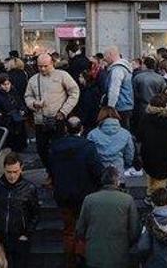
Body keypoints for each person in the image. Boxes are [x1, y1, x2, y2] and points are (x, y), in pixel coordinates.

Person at [48, 116, 103, 268]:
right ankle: (82, 259)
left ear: (66, 129)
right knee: (85, 229)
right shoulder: (88, 146)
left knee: (68, 230)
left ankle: (70, 262)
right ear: (81, 128)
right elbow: (97, 171)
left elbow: (51, 169)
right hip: (84, 195)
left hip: (63, 194)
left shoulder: (55, 146)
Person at [26, 53, 80, 174]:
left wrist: (64, 111)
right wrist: (34, 104)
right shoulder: (33, 79)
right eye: (40, 66)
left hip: (58, 119)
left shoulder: (62, 75)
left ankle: (60, 173)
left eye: (45, 66)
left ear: (52, 64)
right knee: (41, 149)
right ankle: (50, 172)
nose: (42, 69)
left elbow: (75, 92)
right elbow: (27, 96)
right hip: (40, 120)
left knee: (60, 149)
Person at [0, 153, 38, 267]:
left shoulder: (29, 188)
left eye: (15, 172)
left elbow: (35, 214)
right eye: (9, 172)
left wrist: (26, 234)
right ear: (4, 170)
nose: (12, 176)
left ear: (21, 169)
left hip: (19, 237)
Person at [76, 166, 140, 268]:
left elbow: (80, 230)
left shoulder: (89, 199)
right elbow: (134, 231)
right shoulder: (127, 200)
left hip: (94, 255)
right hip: (119, 254)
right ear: (117, 181)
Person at [138, 93, 167, 198]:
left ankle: (149, 194)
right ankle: (158, 198)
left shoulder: (145, 118)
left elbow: (139, 136)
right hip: (164, 156)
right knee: (161, 179)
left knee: (150, 175)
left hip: (147, 153)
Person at [87, 106, 135, 176]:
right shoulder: (125, 133)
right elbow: (129, 153)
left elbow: (89, 154)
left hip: (99, 170)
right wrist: (127, 164)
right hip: (118, 169)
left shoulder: (92, 134)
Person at [0, 74, 27, 152]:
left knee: (18, 143)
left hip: (16, 120)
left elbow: (20, 103)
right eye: (4, 84)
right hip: (6, 121)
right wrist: (0, 114)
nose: (6, 86)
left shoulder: (13, 91)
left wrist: (22, 110)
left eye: (8, 84)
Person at [104, 46, 135, 129]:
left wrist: (110, 107)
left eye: (105, 56)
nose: (104, 59)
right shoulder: (124, 67)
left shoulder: (117, 70)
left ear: (110, 54)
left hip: (119, 107)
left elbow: (114, 90)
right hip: (126, 105)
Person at [134, 56, 167, 127]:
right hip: (157, 107)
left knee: (142, 127)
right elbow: (163, 93)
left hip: (142, 107)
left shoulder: (138, 77)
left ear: (145, 65)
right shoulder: (161, 79)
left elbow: (135, 93)